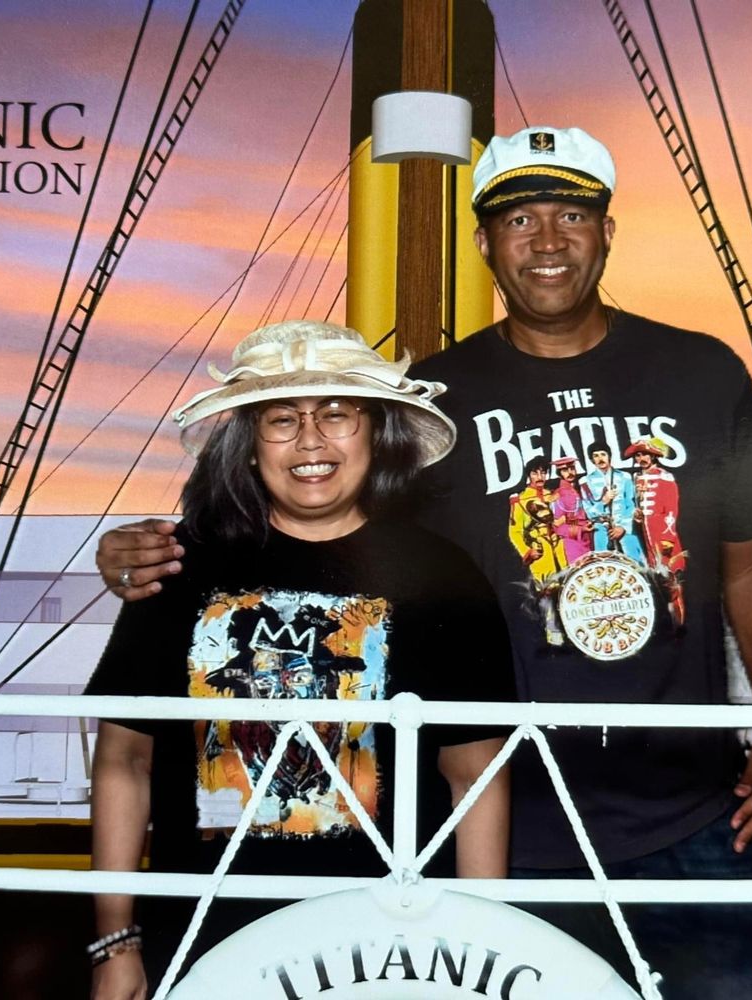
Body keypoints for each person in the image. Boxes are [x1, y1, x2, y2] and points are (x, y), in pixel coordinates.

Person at [94, 126, 752, 998]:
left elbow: (751, 561)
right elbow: (322, 533)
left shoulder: (703, 373)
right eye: (519, 220)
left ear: (607, 231)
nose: (547, 240)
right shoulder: (443, 394)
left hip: (689, 813)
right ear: (484, 244)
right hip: (502, 830)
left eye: (571, 214)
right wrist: (140, 556)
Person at [85, 320, 514, 999]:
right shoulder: (177, 566)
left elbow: (477, 780)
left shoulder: (444, 576)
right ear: (250, 444)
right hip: (199, 939)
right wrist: (116, 941)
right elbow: (123, 762)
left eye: (337, 414)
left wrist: (477, 946)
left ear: (375, 433)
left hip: (387, 948)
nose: (311, 440)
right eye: (282, 419)